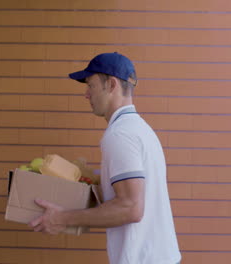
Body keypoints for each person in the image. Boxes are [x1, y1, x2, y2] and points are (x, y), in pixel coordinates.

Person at [29, 52, 181, 264]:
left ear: (111, 84)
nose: (86, 94)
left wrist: (62, 218)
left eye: (90, 85)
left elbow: (131, 208)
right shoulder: (140, 129)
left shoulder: (120, 134)